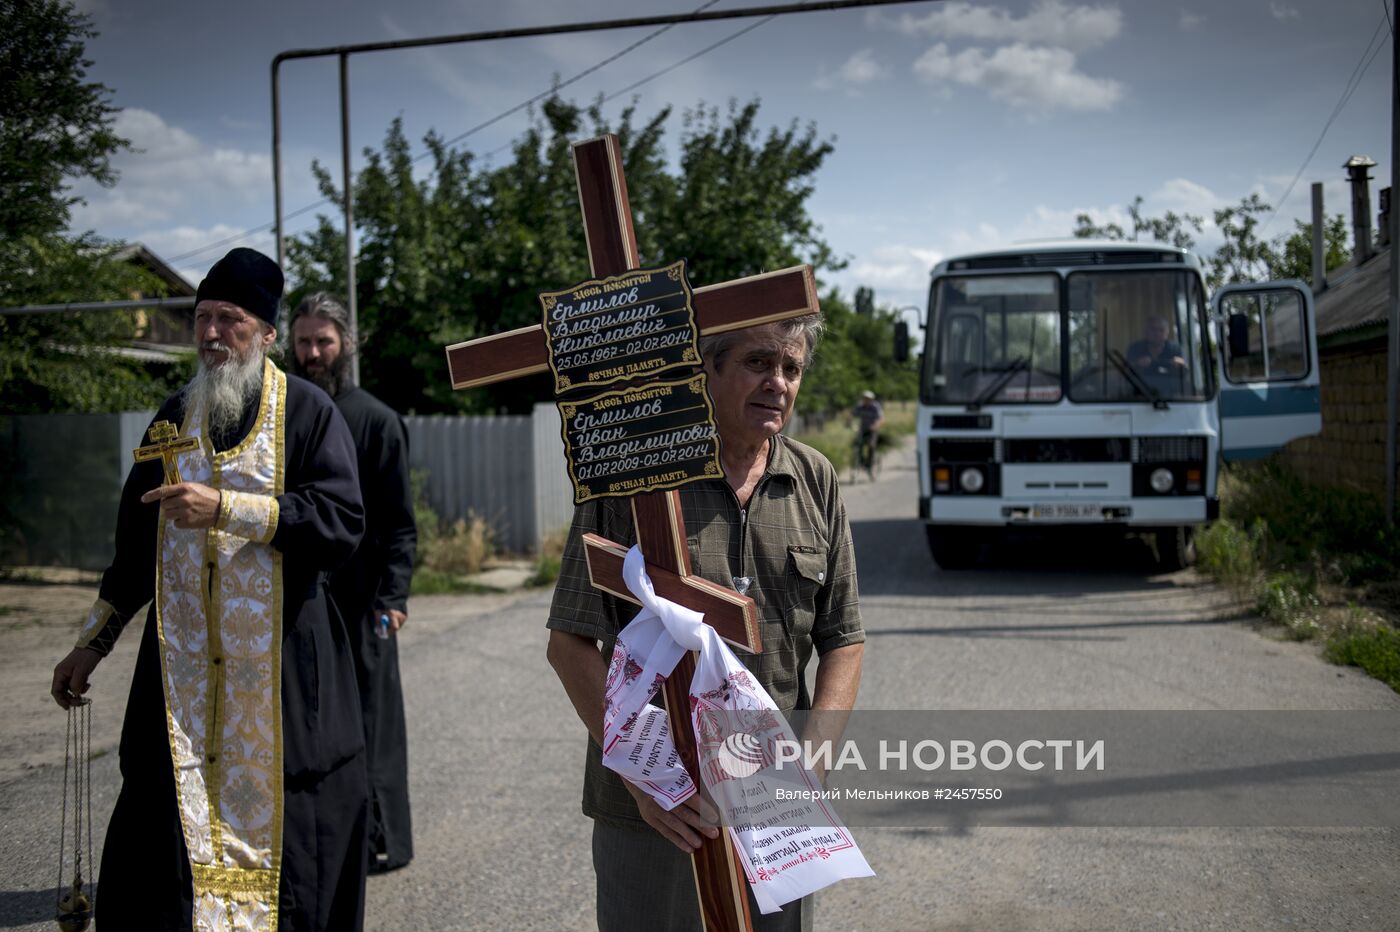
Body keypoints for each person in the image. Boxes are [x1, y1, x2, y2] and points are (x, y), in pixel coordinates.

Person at [50, 248, 369, 931]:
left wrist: (226, 508)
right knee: (163, 843)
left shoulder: (310, 414)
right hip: (181, 680)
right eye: (202, 318)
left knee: (293, 844)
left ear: (267, 334)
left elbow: (342, 522)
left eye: (230, 319)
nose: (212, 334)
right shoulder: (172, 419)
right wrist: (91, 645)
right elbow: (133, 552)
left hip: (282, 672)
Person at [545, 317, 866, 932]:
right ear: (708, 370)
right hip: (657, 811)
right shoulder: (635, 483)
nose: (778, 382)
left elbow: (843, 640)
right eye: (758, 362)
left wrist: (812, 766)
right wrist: (651, 782)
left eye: (791, 369)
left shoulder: (814, 479)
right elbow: (570, 643)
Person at [287, 293, 417, 874]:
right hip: (297, 601)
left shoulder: (376, 420)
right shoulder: (281, 416)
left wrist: (393, 596)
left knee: (371, 721)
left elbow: (398, 523)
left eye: (324, 342)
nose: (312, 353)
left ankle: (379, 840)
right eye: (304, 341)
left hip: (362, 602)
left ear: (346, 346)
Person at [850, 390, 884, 474]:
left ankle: (870, 463)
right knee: (858, 444)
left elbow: (881, 418)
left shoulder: (875, 407)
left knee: (871, 445)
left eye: (868, 399)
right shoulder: (860, 406)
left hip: (872, 429)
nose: (866, 400)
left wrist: (876, 425)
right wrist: (849, 422)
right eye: (865, 398)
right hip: (863, 429)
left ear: (871, 399)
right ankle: (861, 461)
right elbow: (852, 414)